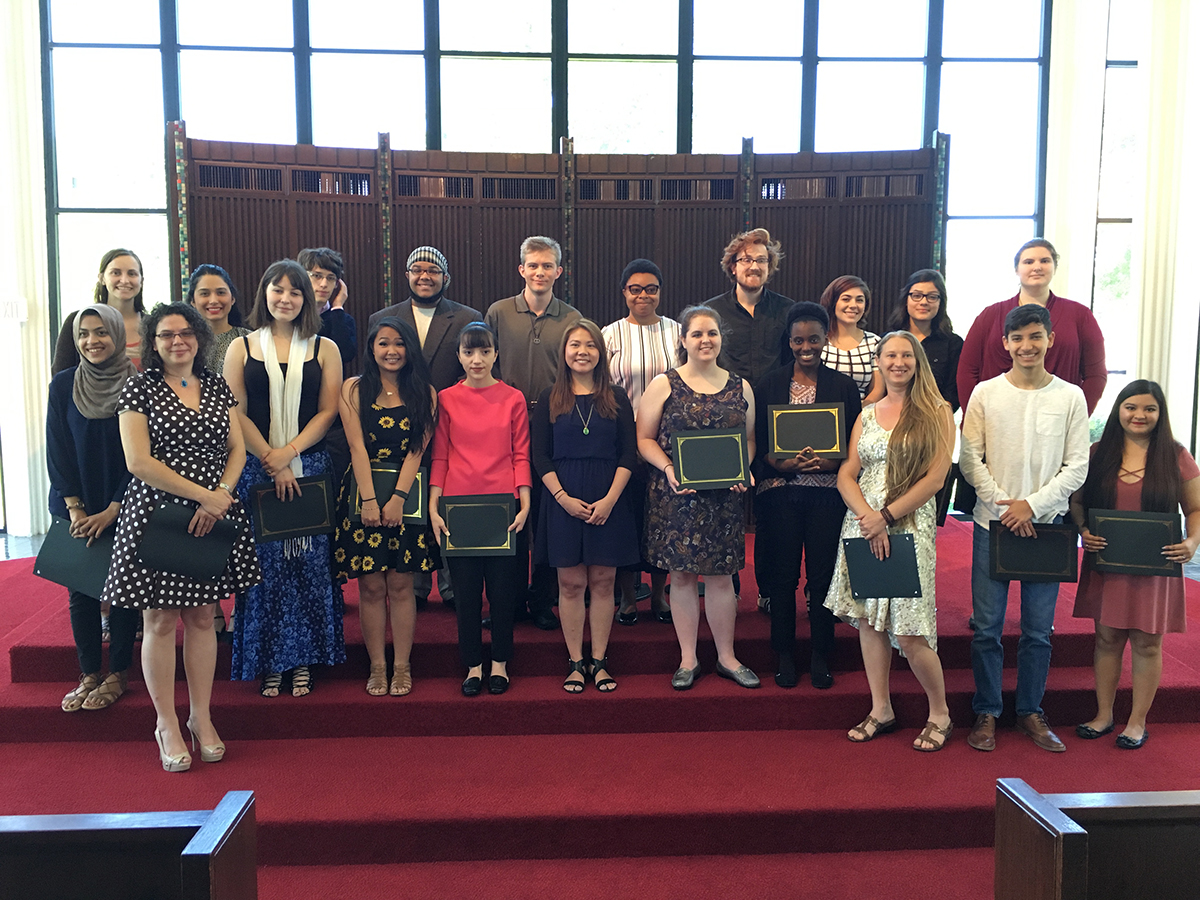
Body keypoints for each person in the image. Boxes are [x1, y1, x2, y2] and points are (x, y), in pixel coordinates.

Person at [103, 302, 261, 771]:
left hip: (212, 512)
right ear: (153, 342)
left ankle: (201, 717)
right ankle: (166, 722)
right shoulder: (140, 388)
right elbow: (139, 462)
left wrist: (223, 494)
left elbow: (237, 448)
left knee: (202, 616)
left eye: (186, 333)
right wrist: (203, 497)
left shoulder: (215, 385)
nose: (178, 341)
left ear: (199, 338)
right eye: (167, 334)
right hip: (158, 516)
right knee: (159, 621)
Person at [960, 303, 1090, 753]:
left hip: (1047, 525)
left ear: (1050, 339)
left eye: (1035, 336)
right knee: (987, 628)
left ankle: (1031, 711)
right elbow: (970, 457)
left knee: (1038, 630)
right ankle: (988, 710)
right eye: (1018, 338)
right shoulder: (985, 393)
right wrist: (1005, 508)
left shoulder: (1071, 396)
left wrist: (1031, 507)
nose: (1027, 346)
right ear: (1006, 344)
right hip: (991, 523)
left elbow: (1077, 467)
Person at [823, 332, 955, 750]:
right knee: (868, 621)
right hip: (863, 525)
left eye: (906, 355)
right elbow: (847, 472)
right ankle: (881, 708)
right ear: (878, 361)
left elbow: (936, 478)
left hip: (907, 527)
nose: (898, 362)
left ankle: (940, 713)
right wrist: (867, 516)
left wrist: (885, 518)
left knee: (912, 632)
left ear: (917, 362)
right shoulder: (866, 412)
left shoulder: (937, 411)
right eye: (890, 355)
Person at [224, 259, 345, 698]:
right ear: (264, 294)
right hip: (256, 470)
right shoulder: (242, 348)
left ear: (306, 299)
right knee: (266, 572)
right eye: (278, 290)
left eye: (295, 292)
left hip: (309, 466)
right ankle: (269, 660)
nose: (286, 299)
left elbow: (328, 410)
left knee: (309, 569)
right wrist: (269, 458)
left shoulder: (324, 348)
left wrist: (289, 454)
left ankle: (305, 662)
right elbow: (234, 411)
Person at [1070, 381, 1200, 749]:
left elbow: (1195, 509)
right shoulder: (1098, 453)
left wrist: (1191, 542)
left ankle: (1137, 721)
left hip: (1155, 567)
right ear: (1118, 411)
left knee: (1146, 644)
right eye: (1131, 407)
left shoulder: (1175, 455)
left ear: (1160, 414)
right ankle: (1103, 715)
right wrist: (1082, 530)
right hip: (1108, 562)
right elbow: (1077, 502)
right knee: (1107, 639)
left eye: (1148, 409)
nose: (1139, 415)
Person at [638, 306, 759, 690]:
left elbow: (750, 441)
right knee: (682, 576)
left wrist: (743, 468)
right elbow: (643, 439)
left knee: (723, 578)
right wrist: (670, 469)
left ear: (721, 338)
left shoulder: (740, 385)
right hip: (677, 496)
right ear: (684, 341)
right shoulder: (664, 384)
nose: (705, 340)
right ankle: (688, 659)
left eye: (712, 333)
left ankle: (726, 656)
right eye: (697, 334)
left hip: (724, 497)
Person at [367, 246, 484, 609]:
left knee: (447, 506)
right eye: (417, 268)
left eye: (433, 269)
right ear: (406, 275)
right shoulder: (383, 317)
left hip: (452, 427)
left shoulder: (467, 317)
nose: (424, 275)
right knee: (410, 508)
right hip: (396, 427)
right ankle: (415, 586)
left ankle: (451, 586)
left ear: (445, 277)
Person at [754, 302, 861, 689]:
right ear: (790, 341)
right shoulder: (768, 383)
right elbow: (760, 444)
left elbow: (855, 441)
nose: (806, 346)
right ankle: (783, 653)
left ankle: (820, 654)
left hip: (827, 495)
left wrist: (834, 465)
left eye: (814, 339)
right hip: (780, 492)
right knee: (783, 578)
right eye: (798, 340)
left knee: (822, 577)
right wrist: (777, 463)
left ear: (824, 339)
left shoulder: (843, 386)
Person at [334, 317, 442, 696]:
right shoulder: (353, 389)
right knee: (369, 586)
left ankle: (402, 665)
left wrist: (397, 499)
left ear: (409, 349)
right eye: (383, 343)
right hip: (362, 493)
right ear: (371, 348)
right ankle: (377, 666)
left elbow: (417, 450)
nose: (391, 351)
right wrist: (368, 499)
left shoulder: (425, 393)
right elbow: (356, 447)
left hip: (405, 496)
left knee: (401, 585)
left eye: (399, 344)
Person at [533, 320, 639, 693]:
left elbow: (629, 453)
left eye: (590, 345)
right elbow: (540, 457)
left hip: (609, 497)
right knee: (571, 581)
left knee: (603, 581)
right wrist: (562, 499)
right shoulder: (549, 397)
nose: (582, 351)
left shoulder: (617, 397)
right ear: (563, 352)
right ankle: (576, 662)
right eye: (575, 344)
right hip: (562, 498)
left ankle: (600, 661)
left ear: (601, 352)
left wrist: (610, 500)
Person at [429, 323, 532, 696]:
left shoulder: (512, 398)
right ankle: (473, 665)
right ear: (459, 355)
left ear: (495, 354)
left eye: (484, 352)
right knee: (466, 593)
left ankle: (501, 662)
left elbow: (520, 452)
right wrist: (433, 505)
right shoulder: (446, 398)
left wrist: (525, 502)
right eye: (469, 352)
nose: (477, 360)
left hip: (503, 504)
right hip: (458, 506)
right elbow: (440, 455)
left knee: (504, 592)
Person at [485, 236, 582, 631]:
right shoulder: (497, 313)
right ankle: (504, 603)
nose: (540, 272)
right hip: (500, 426)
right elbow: (481, 362)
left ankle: (543, 600)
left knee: (544, 519)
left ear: (559, 271)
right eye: (533, 265)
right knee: (506, 516)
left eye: (547, 266)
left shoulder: (572, 318)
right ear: (521, 269)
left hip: (553, 426)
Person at [47, 305, 138, 712]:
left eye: (101, 332)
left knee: (123, 591)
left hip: (126, 500)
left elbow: (144, 454)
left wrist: (115, 508)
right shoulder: (64, 385)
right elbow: (57, 450)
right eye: (83, 334)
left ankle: (118, 672)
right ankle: (88, 673)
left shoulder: (137, 383)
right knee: (81, 590)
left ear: (117, 335)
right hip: (77, 504)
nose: (92, 341)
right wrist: (76, 508)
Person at [601, 258, 678, 625]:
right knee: (627, 519)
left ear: (660, 293)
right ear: (624, 293)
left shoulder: (678, 332)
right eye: (635, 289)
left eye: (651, 288)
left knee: (661, 518)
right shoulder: (609, 334)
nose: (643, 295)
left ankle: (660, 596)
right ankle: (629, 597)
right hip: (622, 439)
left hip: (667, 440)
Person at [957, 238, 1107, 416]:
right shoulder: (990, 315)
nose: (1037, 267)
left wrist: (1075, 417)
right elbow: (967, 371)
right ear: (1016, 269)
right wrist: (977, 416)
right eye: (1028, 262)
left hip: (1056, 417)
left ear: (1054, 267)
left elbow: (1095, 375)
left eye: (1045, 261)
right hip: (996, 416)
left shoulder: (1080, 315)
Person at [703, 228, 793, 387]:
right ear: (733, 267)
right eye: (746, 260)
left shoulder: (788, 310)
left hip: (774, 403)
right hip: (727, 401)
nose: (754, 267)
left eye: (761, 260)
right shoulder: (711, 312)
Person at [53, 248, 147, 375]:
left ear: (141, 280)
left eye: (132, 274)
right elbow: (61, 377)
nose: (124, 280)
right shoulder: (78, 321)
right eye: (116, 273)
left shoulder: (153, 326)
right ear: (102, 278)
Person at [885, 269, 963, 412]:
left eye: (932, 297)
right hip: (890, 418)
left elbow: (953, 394)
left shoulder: (953, 343)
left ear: (941, 302)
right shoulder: (888, 340)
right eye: (917, 296)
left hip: (934, 421)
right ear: (906, 300)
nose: (924, 302)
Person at [819, 275, 882, 402]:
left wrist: (858, 414)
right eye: (846, 299)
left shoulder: (874, 342)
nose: (853, 305)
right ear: (833, 302)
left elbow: (877, 390)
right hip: (823, 413)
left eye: (859, 300)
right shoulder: (818, 340)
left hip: (861, 414)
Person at [298, 247, 359, 365]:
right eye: (317, 276)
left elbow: (345, 355)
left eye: (330, 278)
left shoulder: (342, 319)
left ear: (338, 284)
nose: (324, 284)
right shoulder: (291, 315)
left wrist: (337, 307)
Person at [188, 263, 250, 373]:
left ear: (232, 299)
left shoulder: (249, 340)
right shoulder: (183, 341)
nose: (214, 301)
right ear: (193, 301)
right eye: (204, 294)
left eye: (221, 292)